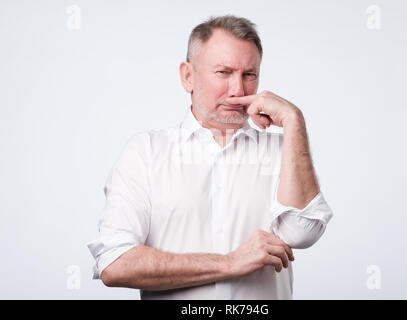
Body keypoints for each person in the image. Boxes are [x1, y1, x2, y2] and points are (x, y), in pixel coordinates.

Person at [87, 15, 333, 300]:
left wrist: (294, 120)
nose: (237, 90)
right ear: (188, 76)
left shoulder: (282, 149)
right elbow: (116, 263)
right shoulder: (145, 152)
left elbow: (302, 233)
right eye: (223, 72)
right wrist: (229, 263)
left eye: (249, 75)